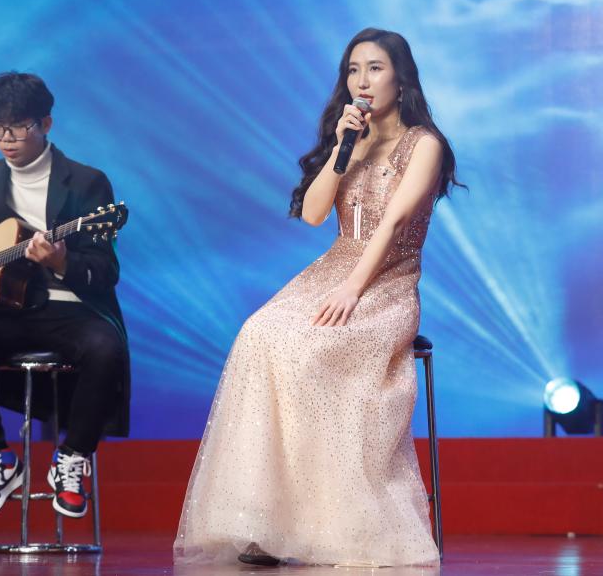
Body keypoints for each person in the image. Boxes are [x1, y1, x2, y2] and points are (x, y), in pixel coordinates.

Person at [173, 28, 461, 567]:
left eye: (375, 68)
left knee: (308, 348)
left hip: (386, 281)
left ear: (401, 79)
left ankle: (317, 519)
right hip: (331, 268)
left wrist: (354, 288)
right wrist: (341, 149)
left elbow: (394, 223)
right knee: (259, 333)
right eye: (353, 69)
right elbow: (312, 214)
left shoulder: (424, 144)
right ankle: (265, 520)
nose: (362, 81)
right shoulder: (352, 137)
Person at [0, 72, 128, 524]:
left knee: (105, 347)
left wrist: (61, 261)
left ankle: (72, 458)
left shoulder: (87, 184)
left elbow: (105, 272)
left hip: (71, 311)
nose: (6, 140)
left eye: (18, 128)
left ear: (46, 124)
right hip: (10, 310)